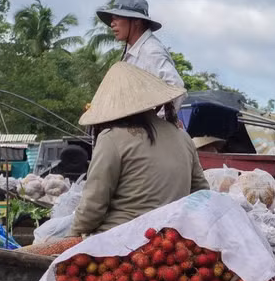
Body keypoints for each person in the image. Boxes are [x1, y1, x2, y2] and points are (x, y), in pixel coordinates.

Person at [71, 62, 209, 236]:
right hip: (171, 242)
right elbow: (201, 192)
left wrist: (72, 235)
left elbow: (93, 206)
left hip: (120, 242)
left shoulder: (111, 138)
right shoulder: (183, 137)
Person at [96, 0, 186, 113]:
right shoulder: (132, 50)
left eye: (117, 17)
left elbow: (177, 87)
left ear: (137, 20)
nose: (112, 23)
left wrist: (158, 123)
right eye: (112, 19)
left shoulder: (151, 50)